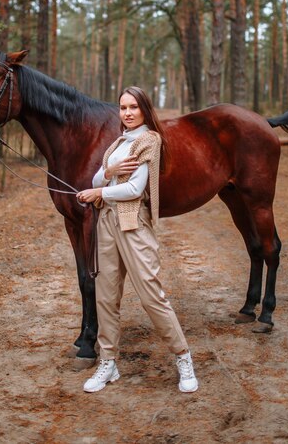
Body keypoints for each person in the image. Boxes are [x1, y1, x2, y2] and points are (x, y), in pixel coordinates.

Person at [76, 86, 198, 394]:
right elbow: (96, 178)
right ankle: (108, 362)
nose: (127, 113)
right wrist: (110, 171)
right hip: (106, 223)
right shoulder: (118, 143)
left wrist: (101, 189)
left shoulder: (149, 140)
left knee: (151, 295)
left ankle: (183, 357)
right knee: (105, 296)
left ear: (144, 109)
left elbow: (134, 189)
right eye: (123, 107)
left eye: (133, 107)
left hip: (133, 224)